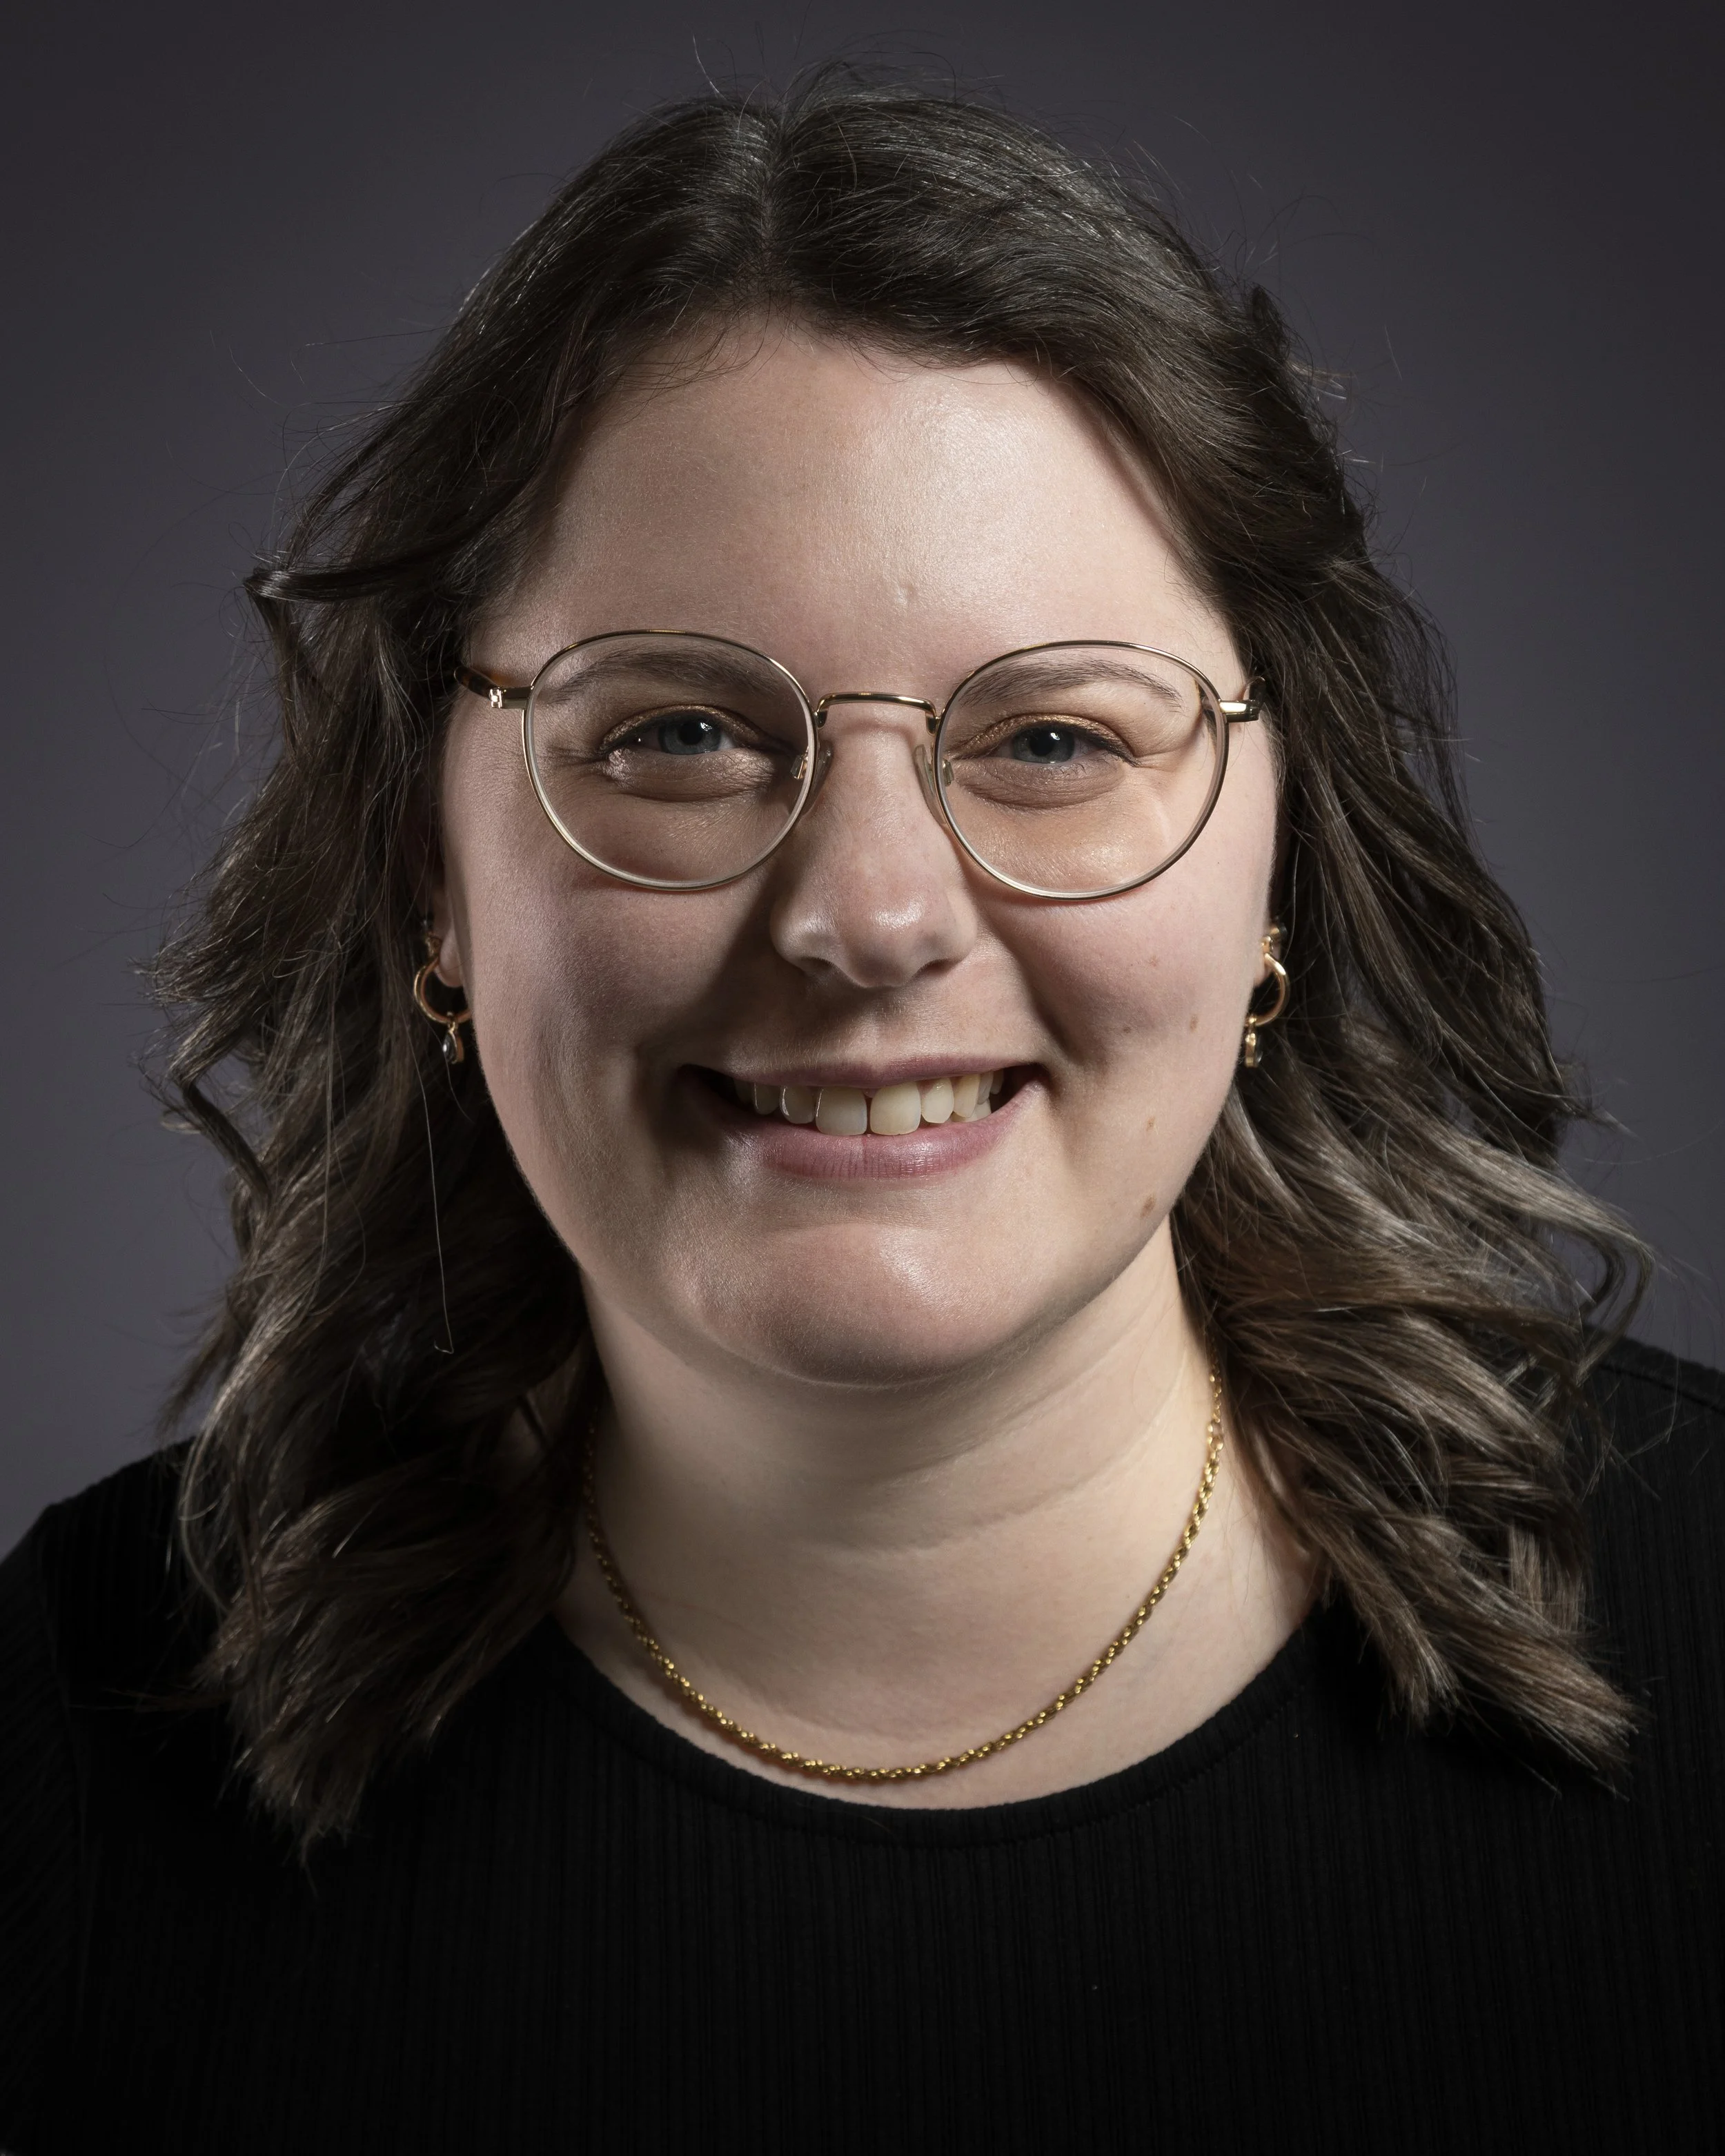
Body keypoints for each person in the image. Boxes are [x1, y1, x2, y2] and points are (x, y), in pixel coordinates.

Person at [1, 70, 1719, 2155]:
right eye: (685, 732)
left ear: (1279, 870)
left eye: (1056, 735)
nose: (869, 914)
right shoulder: (69, 1747)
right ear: (428, 879)